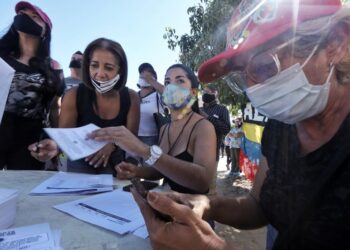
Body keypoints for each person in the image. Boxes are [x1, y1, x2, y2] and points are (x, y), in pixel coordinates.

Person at [130, 0, 350, 249]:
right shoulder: (280, 128)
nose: (253, 88)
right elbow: (258, 205)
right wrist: (205, 204)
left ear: (335, 44)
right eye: (242, 76)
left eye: (265, 65)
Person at [87, 63, 217, 195]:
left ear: (193, 92)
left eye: (180, 80)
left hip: (191, 211)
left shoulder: (203, 127)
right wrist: (136, 171)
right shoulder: (165, 129)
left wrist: (145, 151)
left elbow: (203, 182)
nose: (171, 87)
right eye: (167, 82)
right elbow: (162, 170)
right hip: (168, 205)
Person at [28, 38, 140, 174]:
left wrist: (113, 145)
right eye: (94, 65)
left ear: (120, 70)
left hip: (116, 169)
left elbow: (132, 142)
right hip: (77, 169)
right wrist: (53, 147)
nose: (100, 74)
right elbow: (64, 137)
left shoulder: (132, 98)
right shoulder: (73, 95)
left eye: (108, 67)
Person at [0, 1, 65, 170]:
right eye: (23, 14)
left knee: (23, 189)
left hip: (30, 138)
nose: (26, 18)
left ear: (45, 31)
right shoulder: (2, 57)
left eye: (35, 17)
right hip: (2, 126)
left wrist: (56, 143)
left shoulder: (54, 68)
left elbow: (54, 109)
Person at [201, 84, 230, 193]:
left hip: (212, 154)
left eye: (207, 92)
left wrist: (208, 118)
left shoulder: (222, 109)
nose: (204, 94)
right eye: (203, 92)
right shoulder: (198, 109)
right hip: (195, 152)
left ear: (215, 94)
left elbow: (226, 128)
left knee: (210, 188)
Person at [137, 63, 163, 147]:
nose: (144, 77)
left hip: (154, 138)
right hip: (135, 136)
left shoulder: (158, 95)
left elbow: (175, 98)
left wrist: (152, 81)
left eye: (147, 75)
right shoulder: (134, 96)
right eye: (141, 75)